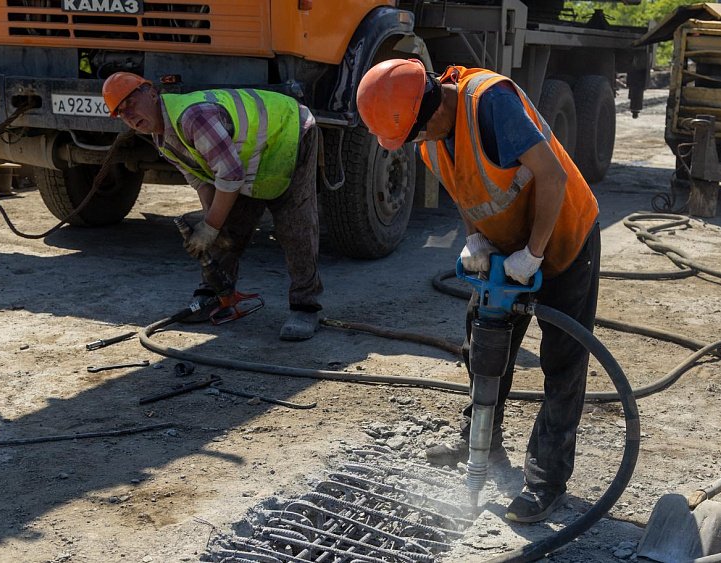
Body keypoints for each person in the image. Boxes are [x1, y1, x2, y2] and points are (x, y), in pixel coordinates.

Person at [356, 60, 601, 524]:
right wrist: (476, 239)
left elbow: (552, 177)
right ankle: (480, 441)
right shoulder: (430, 135)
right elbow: (466, 189)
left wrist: (533, 254)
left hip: (564, 237)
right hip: (508, 243)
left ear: (430, 112)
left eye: (415, 135)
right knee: (485, 340)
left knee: (562, 362)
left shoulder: (490, 103)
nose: (416, 145)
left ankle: (546, 480)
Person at [102, 72, 324, 341]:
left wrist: (210, 227)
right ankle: (215, 295)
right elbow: (203, 182)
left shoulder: (193, 117)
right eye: (121, 113)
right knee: (226, 227)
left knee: (294, 226)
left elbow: (230, 176)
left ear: (151, 92)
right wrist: (213, 225)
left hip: (289, 132)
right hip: (250, 155)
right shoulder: (163, 138)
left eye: (131, 103)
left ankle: (305, 307)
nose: (129, 114)